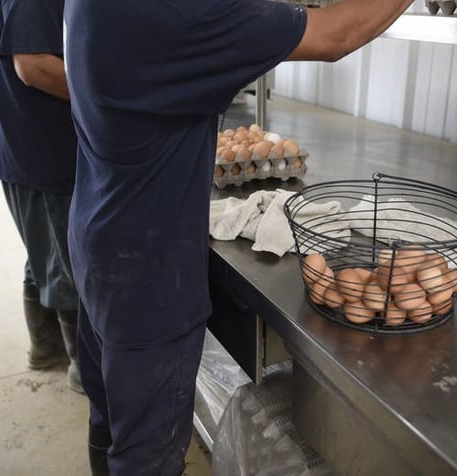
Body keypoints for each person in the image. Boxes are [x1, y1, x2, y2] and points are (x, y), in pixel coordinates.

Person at [63, 0, 415, 473]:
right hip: (151, 280)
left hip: (99, 237)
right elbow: (337, 34)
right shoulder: (176, 14)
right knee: (148, 456)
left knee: (111, 422)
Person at [0, 0, 82, 393]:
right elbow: (33, 65)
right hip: (42, 149)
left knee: (44, 251)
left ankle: (46, 347)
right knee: (67, 261)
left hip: (26, 144)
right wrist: (107, 97)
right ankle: (83, 370)